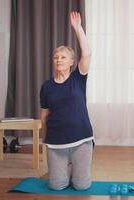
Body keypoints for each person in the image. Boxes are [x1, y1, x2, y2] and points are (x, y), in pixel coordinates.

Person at [40, 11, 93, 191]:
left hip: (81, 140)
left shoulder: (78, 79)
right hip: (56, 141)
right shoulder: (46, 86)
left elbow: (86, 54)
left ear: (71, 62)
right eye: (56, 57)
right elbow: (44, 116)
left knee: (81, 186)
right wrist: (44, 141)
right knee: (57, 186)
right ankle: (64, 170)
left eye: (63, 57)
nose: (59, 60)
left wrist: (78, 28)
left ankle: (75, 171)